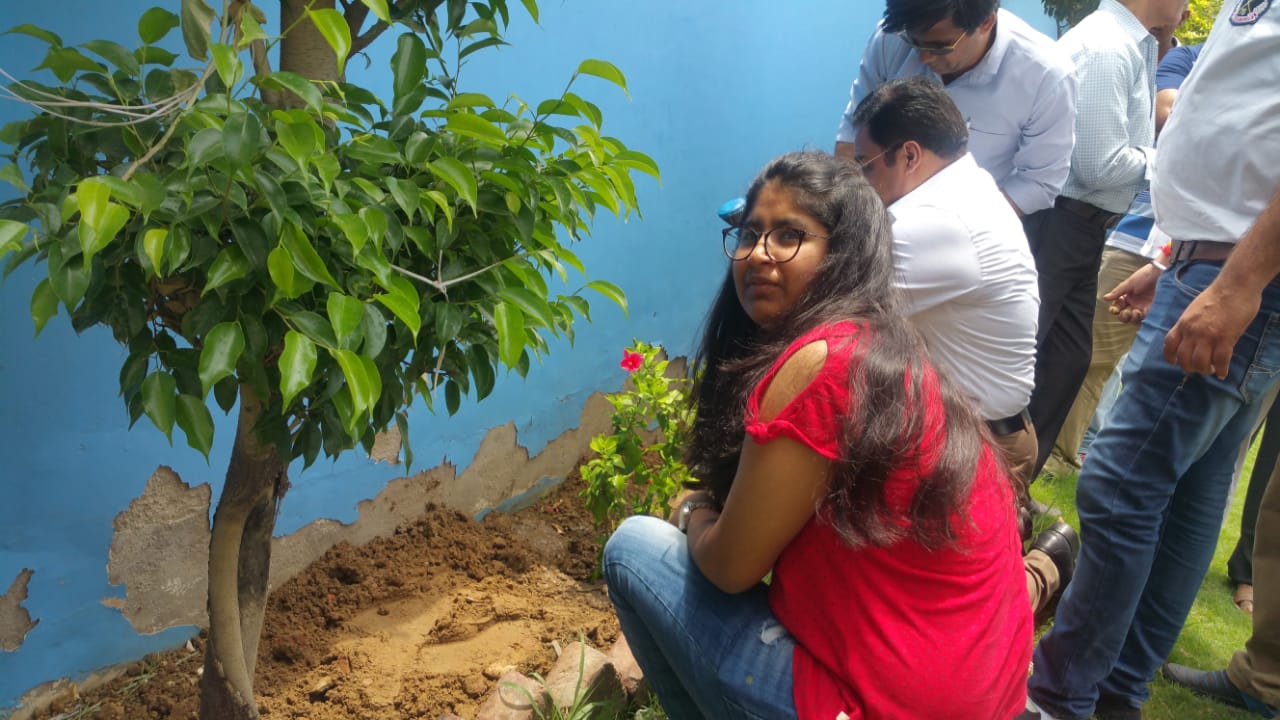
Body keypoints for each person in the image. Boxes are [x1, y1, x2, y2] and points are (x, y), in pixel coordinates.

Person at [603, 152, 1032, 719]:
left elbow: (732, 570)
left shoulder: (826, 362)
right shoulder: (886, 350)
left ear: (842, 254)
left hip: (884, 707)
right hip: (973, 695)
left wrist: (690, 514)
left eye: (789, 236)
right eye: (750, 233)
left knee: (634, 549)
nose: (758, 254)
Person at [1024, 0, 1280, 717]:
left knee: (1117, 482)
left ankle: (1059, 696)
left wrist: (1237, 282)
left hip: (1241, 272)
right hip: (1211, 260)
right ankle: (1113, 692)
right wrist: (1177, 258)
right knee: (1194, 488)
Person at [847, 76, 1075, 614]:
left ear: (908, 155)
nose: (860, 182)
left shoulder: (934, 220)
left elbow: (828, 307)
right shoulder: (964, 189)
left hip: (974, 447)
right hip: (973, 433)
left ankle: (1043, 570)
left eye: (864, 166)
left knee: (944, 616)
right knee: (917, 602)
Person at [1022, 0, 1190, 479]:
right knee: (1028, 365)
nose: (1188, 5)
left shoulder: (1128, 45)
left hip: (1080, 227)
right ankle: (974, 498)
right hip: (1060, 224)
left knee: (1066, 361)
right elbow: (1099, 166)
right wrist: (1168, 161)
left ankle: (1004, 495)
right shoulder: (1107, 49)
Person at [834, 0, 1076, 217]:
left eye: (939, 47)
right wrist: (857, 217)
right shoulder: (891, 37)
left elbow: (1038, 182)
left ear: (986, 22)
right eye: (914, 43)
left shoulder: (1046, 75)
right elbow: (852, 132)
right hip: (879, 216)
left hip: (974, 227)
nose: (923, 58)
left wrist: (960, 230)